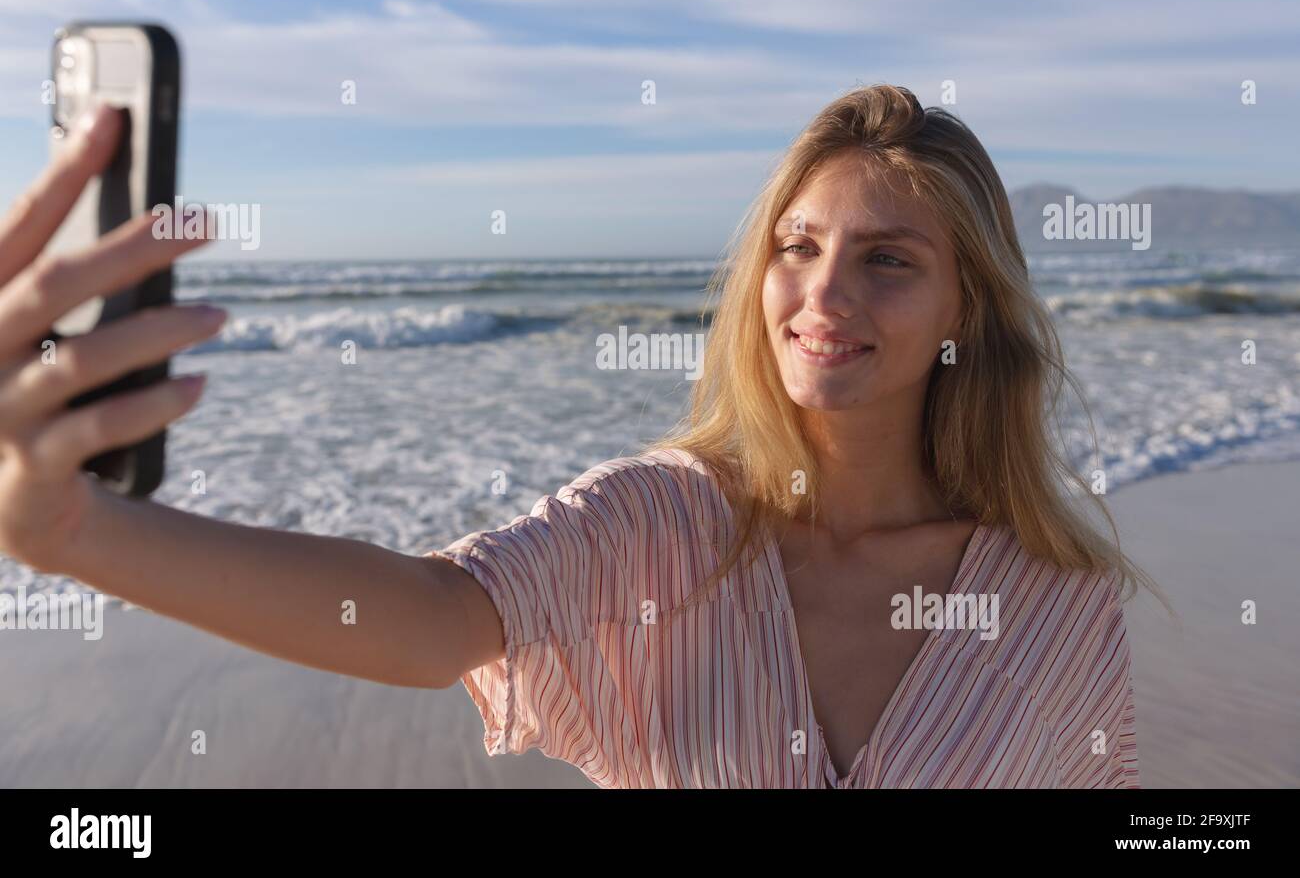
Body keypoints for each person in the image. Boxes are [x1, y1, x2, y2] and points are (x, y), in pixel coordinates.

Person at [0, 85, 1156, 788]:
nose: (823, 294)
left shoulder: (1051, 602)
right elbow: (426, 617)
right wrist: (82, 531)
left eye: (887, 259)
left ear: (965, 306)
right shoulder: (666, 523)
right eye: (796, 248)